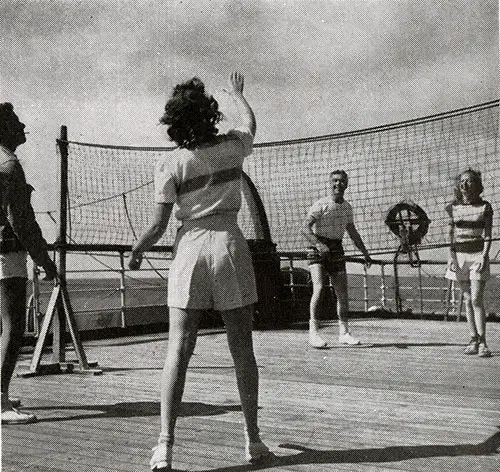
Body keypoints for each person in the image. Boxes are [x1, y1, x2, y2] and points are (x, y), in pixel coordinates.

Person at [128, 72, 271, 470]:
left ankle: (165, 447)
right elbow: (249, 125)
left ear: (174, 121)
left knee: (179, 348)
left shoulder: (171, 161)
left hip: (190, 247)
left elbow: (157, 227)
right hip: (229, 243)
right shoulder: (231, 147)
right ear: (209, 115)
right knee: (242, 349)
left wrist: (138, 251)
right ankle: (253, 440)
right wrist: (238, 96)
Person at [1, 103, 57, 424]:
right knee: (13, 327)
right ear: (6, 129)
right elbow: (20, 222)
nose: (23, 127)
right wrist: (45, 260)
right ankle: (1, 404)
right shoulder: (9, 165)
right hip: (6, 254)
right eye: (17, 124)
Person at [304, 170, 372, 348]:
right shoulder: (321, 204)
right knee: (319, 288)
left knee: (342, 293)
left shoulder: (347, 208)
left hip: (336, 247)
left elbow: (353, 233)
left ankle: (344, 333)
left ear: (346, 185)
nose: (338, 184)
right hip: (317, 246)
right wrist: (319, 245)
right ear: (330, 183)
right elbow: (304, 228)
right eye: (335, 181)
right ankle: (313, 332)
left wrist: (365, 253)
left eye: (342, 181)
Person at [445, 169, 493, 357]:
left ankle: (483, 342)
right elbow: (450, 235)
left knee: (476, 299)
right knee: (466, 299)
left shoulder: (485, 207)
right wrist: (451, 257)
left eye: (470, 181)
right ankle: (473, 339)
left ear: (477, 185)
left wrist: (484, 255)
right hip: (459, 257)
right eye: (462, 181)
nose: (465, 185)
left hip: (477, 256)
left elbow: (488, 234)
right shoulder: (452, 208)